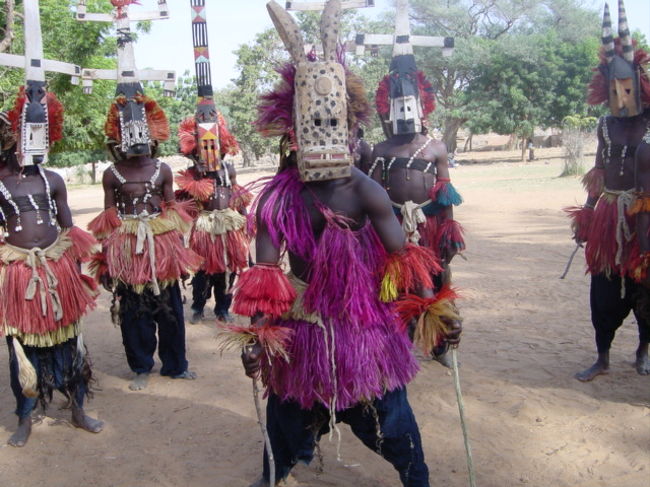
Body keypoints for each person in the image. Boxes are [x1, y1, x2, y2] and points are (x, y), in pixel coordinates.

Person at [234, 2, 461, 486]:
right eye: (314, 127)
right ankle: (273, 473)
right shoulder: (278, 199)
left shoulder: (367, 190)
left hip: (367, 331)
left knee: (393, 421)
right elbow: (267, 277)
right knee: (287, 419)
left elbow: (404, 265)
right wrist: (258, 337)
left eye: (335, 125)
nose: (326, 136)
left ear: (353, 129)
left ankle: (416, 478)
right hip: (304, 335)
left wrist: (435, 314)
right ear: (292, 134)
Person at [0, 96, 102, 447]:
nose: (35, 143)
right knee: (22, 346)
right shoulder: (0, 182)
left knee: (71, 342)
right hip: (18, 273)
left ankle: (77, 408)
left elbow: (69, 231)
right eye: (29, 134)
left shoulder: (54, 179)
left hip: (58, 272)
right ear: (15, 137)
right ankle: (25, 416)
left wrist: (75, 277)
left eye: (41, 135)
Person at [88, 82, 202, 391]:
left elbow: (170, 210)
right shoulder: (112, 173)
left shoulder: (162, 169)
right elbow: (109, 217)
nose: (138, 140)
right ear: (120, 137)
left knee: (170, 307)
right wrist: (106, 259)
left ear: (151, 133)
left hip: (162, 244)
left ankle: (176, 365)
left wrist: (176, 253)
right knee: (133, 308)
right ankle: (140, 366)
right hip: (127, 246)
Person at [369, 24, 465, 366]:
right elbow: (372, 192)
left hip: (428, 226)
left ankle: (440, 344)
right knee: (395, 282)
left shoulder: (434, 148)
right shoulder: (381, 149)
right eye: (399, 107)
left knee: (434, 280)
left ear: (422, 106)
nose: (405, 114)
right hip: (392, 226)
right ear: (388, 109)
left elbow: (445, 194)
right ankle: (401, 344)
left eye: (410, 105)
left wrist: (449, 234)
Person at [566, 0, 650, 381]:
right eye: (614, 89)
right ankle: (602, 358)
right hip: (608, 217)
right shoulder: (605, 126)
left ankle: (643, 351)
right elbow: (599, 171)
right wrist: (587, 215)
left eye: (627, 88)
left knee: (645, 290)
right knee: (603, 290)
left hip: (645, 220)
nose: (621, 96)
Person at [175, 1, 252, 324]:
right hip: (205, 228)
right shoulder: (192, 174)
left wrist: (245, 219)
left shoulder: (227, 168)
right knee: (206, 269)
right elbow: (185, 206)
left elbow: (235, 194)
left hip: (227, 225)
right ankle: (197, 304)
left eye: (214, 146)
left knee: (227, 269)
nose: (209, 152)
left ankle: (223, 306)